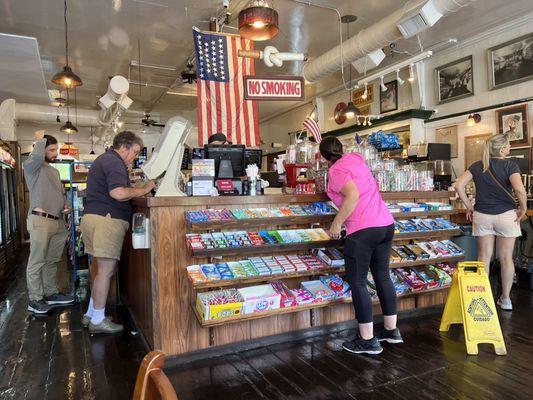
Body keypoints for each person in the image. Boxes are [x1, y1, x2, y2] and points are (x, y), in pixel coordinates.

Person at [319, 136, 401, 355]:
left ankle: (367, 339)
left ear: (322, 156)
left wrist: (336, 224)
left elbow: (352, 196)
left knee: (358, 282)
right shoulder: (356, 157)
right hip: (385, 223)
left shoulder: (335, 172)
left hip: (363, 228)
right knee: (382, 275)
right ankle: (391, 331)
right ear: (342, 149)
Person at [81, 131, 155, 334]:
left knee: (98, 270)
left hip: (92, 218)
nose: (135, 156)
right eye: (135, 152)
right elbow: (118, 193)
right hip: (107, 219)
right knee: (106, 272)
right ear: (124, 147)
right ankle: (98, 320)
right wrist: (145, 188)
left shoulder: (103, 160)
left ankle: (90, 313)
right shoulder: (115, 162)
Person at [455, 133, 527, 311]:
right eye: (508, 145)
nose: (509, 148)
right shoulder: (511, 165)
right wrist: (523, 208)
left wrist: (469, 206)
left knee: (484, 257)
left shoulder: (478, 166)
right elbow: (519, 189)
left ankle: (483, 296)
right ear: (502, 149)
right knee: (506, 258)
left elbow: (458, 185)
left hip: (482, 215)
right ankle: (505, 299)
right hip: (506, 216)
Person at [23, 131, 75, 314]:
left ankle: (51, 293)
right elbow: (36, 157)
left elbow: (59, 194)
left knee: (52, 260)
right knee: (37, 261)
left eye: (57, 149)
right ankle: (35, 299)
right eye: (52, 150)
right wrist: (39, 140)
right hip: (40, 220)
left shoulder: (53, 171)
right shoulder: (31, 166)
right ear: (42, 149)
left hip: (58, 221)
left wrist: (66, 204)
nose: (56, 153)